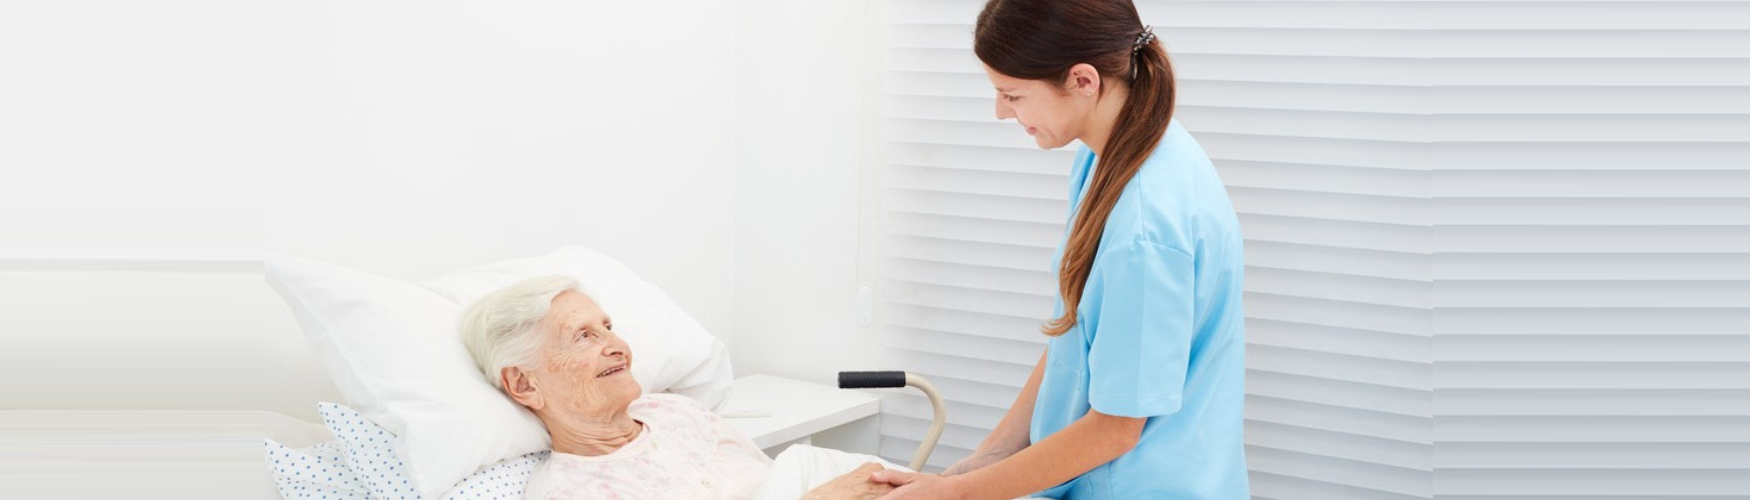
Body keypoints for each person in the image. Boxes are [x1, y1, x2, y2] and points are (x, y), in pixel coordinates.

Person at [868, 0, 1249, 498]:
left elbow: (1115, 428)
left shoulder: (1144, 227)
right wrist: (981, 464)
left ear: (1083, 81)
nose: (1001, 111)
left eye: (1013, 94)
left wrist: (955, 495)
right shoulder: (1107, 159)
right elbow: (1078, 338)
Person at [460, 276, 891, 500]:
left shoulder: (675, 412)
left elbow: (777, 479)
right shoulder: (569, 492)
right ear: (523, 384)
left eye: (609, 327)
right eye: (584, 336)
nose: (618, 347)